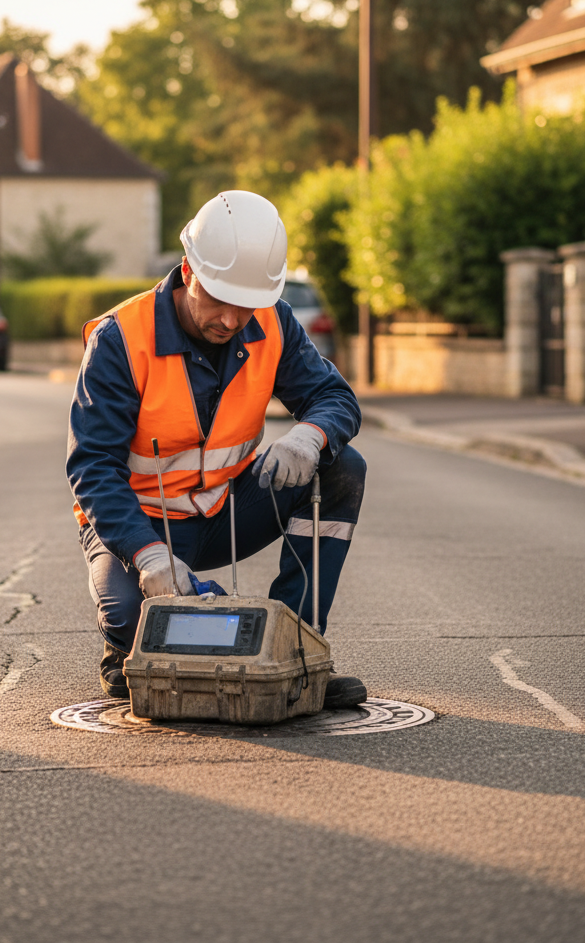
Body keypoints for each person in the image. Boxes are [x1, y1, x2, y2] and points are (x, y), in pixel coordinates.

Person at [67, 190, 367, 707]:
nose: (231, 320)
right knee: (130, 616)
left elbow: (335, 398)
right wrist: (145, 553)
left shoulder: (273, 322)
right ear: (188, 271)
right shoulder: (122, 339)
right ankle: (125, 650)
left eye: (247, 305)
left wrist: (309, 436)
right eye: (220, 299)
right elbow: (93, 467)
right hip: (144, 525)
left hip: (227, 511)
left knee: (341, 469)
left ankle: (297, 653)